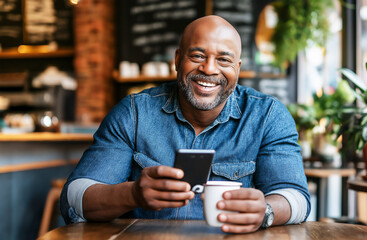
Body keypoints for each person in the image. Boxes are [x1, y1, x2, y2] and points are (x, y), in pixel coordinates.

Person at [60, 15, 310, 234]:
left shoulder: (268, 116)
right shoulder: (134, 113)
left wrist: (265, 211)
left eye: (224, 60)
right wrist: (132, 194)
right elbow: (74, 197)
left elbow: (297, 199)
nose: (209, 69)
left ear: (238, 68)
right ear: (178, 60)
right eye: (198, 55)